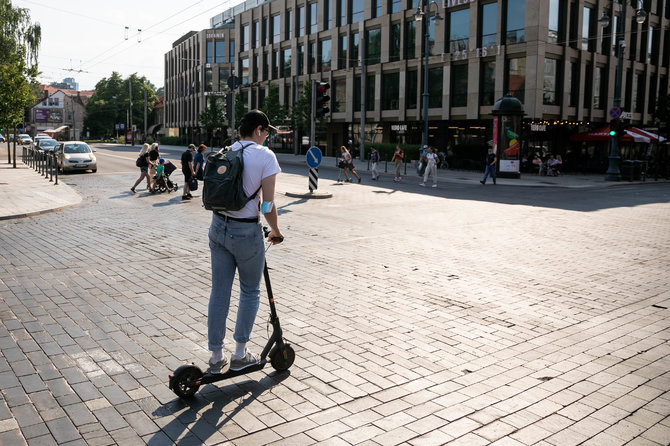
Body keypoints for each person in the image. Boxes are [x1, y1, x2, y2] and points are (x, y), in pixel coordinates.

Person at [207, 109, 283, 374]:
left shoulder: (227, 150)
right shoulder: (265, 156)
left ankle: (216, 357)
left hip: (218, 226)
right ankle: (240, 354)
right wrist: (275, 230)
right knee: (250, 291)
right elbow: (268, 204)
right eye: (266, 133)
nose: (266, 138)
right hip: (245, 232)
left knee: (219, 292)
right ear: (259, 130)